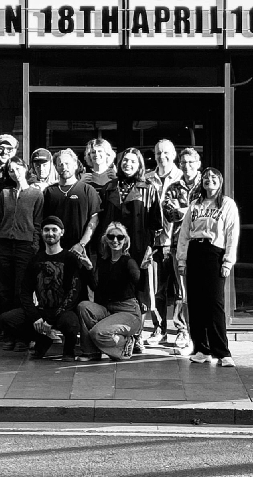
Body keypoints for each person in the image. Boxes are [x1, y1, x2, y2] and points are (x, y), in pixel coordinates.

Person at [97, 147, 162, 353]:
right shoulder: (109, 187)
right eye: (125, 161)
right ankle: (113, 332)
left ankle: (137, 335)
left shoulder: (148, 188)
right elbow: (100, 220)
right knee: (111, 289)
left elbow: (155, 223)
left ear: (140, 165)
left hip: (138, 248)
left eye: (133, 161)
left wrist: (150, 250)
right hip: (112, 248)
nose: (128, 164)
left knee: (139, 292)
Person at [176, 167, 240, 367]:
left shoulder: (227, 204)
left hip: (215, 254)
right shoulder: (194, 205)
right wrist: (181, 260)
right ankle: (201, 349)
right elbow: (184, 234)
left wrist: (228, 262)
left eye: (213, 177)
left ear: (220, 182)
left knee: (214, 304)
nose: (208, 180)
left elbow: (232, 234)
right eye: (205, 177)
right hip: (195, 252)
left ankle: (222, 352)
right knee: (195, 303)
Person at [0, 216, 81, 361]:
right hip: (42, 310)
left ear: (62, 232)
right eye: (46, 230)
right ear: (41, 233)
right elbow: (25, 292)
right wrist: (36, 317)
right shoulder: (35, 259)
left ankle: (68, 350)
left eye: (54, 230)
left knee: (71, 322)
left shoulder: (70, 259)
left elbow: (74, 293)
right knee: (7, 319)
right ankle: (43, 339)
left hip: (63, 311)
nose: (50, 233)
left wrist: (51, 319)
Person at [0, 157, 43, 340]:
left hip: (25, 245)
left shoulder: (36, 194)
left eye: (18, 169)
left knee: (21, 290)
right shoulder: (4, 194)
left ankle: (21, 334)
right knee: (3, 289)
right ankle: (7, 330)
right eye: (11, 170)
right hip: (4, 245)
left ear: (25, 168)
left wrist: (34, 245)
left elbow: (37, 223)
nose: (15, 173)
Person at [76, 222, 141, 361]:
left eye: (119, 237)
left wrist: (146, 269)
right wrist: (88, 268)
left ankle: (125, 344)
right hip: (108, 310)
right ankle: (90, 352)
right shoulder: (103, 262)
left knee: (97, 333)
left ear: (125, 240)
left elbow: (140, 285)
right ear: (106, 239)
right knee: (83, 306)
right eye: (111, 237)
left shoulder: (129, 262)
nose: (115, 240)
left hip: (128, 312)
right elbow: (96, 288)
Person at [163, 147, 203, 351]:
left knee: (201, 290)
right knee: (181, 291)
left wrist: (184, 210)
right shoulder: (173, 186)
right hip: (179, 244)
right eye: (184, 162)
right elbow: (169, 213)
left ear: (198, 164)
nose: (187, 166)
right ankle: (182, 331)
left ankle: (200, 333)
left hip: (203, 244)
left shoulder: (207, 185)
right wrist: (191, 211)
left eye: (191, 162)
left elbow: (209, 210)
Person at [145, 139, 183, 347]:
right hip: (155, 243)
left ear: (174, 154)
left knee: (179, 290)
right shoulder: (148, 178)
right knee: (156, 290)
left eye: (167, 153)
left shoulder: (182, 178)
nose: (162, 156)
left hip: (176, 242)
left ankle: (181, 330)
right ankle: (159, 329)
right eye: (159, 153)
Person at [43, 148, 101, 259]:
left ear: (75, 165)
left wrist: (81, 244)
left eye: (67, 164)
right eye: (60, 164)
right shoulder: (48, 192)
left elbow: (94, 219)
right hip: (54, 252)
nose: (64, 167)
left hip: (81, 252)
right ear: (55, 167)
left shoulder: (88, 190)